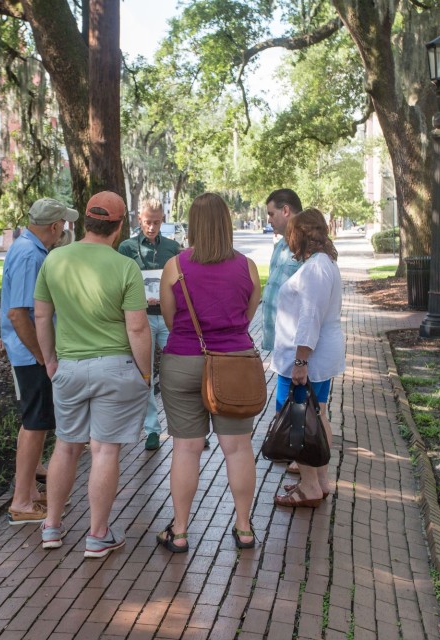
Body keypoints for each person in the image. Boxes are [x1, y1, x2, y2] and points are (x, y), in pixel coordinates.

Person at [34, 190, 152, 559]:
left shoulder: (54, 260)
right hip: (115, 367)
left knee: (66, 446)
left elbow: (41, 315)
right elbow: (137, 329)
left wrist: (50, 360)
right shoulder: (124, 266)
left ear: (84, 221)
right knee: (103, 449)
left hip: (68, 366)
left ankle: (52, 526)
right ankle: (97, 535)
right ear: (118, 227)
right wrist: (146, 373)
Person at [156, 192, 261, 552]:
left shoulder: (175, 266)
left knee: (186, 449)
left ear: (194, 225)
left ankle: (180, 531)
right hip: (234, 364)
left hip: (184, 360)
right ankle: (244, 527)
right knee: (238, 448)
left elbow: (171, 320)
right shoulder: (247, 267)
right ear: (227, 223)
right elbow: (247, 317)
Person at [0, 197, 79, 525]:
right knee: (36, 424)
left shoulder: (29, 249)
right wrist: (42, 355)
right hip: (30, 355)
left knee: (34, 422)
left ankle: (29, 492)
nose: (66, 228)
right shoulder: (30, 255)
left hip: (30, 353)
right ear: (55, 226)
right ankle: (22, 502)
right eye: (64, 223)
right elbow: (18, 313)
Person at [271, 208, 345, 508]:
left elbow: (309, 316)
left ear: (300, 235)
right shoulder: (324, 262)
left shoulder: (315, 268)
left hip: (308, 358)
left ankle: (310, 485)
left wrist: (301, 362)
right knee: (319, 415)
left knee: (303, 421)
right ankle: (318, 480)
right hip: (318, 354)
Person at [118, 199, 180, 450]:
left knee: (177, 371)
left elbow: (181, 281)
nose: (151, 227)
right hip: (140, 317)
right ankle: (152, 429)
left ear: (162, 220)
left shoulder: (173, 247)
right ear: (139, 220)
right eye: (147, 222)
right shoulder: (127, 247)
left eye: (156, 222)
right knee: (145, 373)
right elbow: (120, 282)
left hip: (167, 316)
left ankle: (184, 429)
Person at [260, 189, 303, 352]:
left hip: (296, 346)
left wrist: (302, 360)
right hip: (280, 344)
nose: (269, 220)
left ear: (285, 210)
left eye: (271, 214)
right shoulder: (280, 246)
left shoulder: (307, 246)